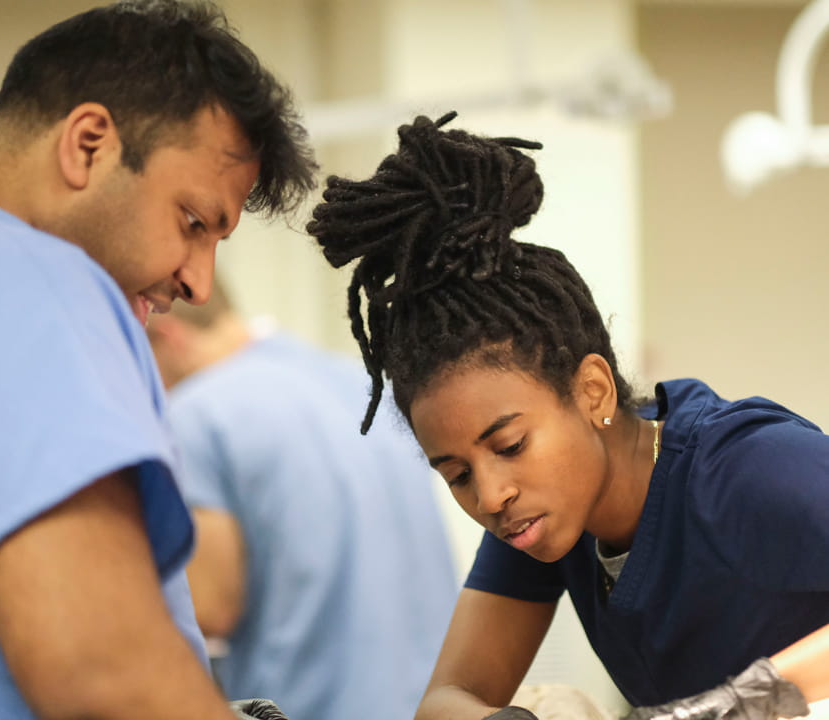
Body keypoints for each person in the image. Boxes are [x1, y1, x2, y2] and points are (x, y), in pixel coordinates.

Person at [305, 111, 829, 720]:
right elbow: (448, 701)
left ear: (593, 392)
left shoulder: (747, 469)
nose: (491, 495)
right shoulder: (540, 520)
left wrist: (743, 704)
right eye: (457, 474)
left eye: (509, 445)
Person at [0, 2, 316, 718]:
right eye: (193, 223)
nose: (200, 283)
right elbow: (101, 668)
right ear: (88, 146)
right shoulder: (27, 273)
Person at [145, 277, 459, 720]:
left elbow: (209, 607)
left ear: (168, 336)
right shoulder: (366, 386)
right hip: (432, 703)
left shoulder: (196, 413)